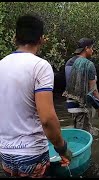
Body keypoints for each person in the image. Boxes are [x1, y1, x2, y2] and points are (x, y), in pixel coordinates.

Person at [0, 15, 72, 178]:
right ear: (41, 39)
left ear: (14, 38)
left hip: (5, 154)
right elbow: (47, 119)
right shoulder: (40, 67)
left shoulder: (1, 65)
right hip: (32, 154)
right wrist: (62, 149)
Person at [63, 38, 99, 136]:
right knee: (84, 136)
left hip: (70, 104)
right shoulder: (89, 64)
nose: (93, 51)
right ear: (86, 48)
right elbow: (93, 89)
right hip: (82, 106)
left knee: (77, 132)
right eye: (92, 48)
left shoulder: (69, 62)